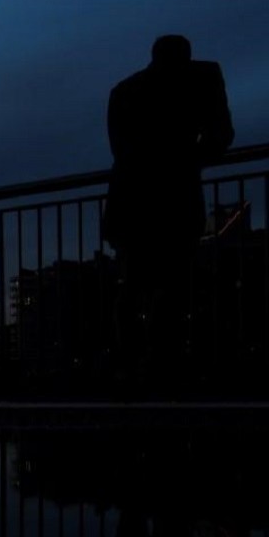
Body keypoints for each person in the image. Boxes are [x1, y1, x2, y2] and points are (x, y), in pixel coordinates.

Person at [103, 35, 233, 380]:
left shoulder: (124, 91)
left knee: (133, 285)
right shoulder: (201, 78)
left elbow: (121, 151)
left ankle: (130, 365)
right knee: (170, 282)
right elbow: (221, 134)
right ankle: (160, 363)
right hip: (173, 196)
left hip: (131, 199)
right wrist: (187, 160)